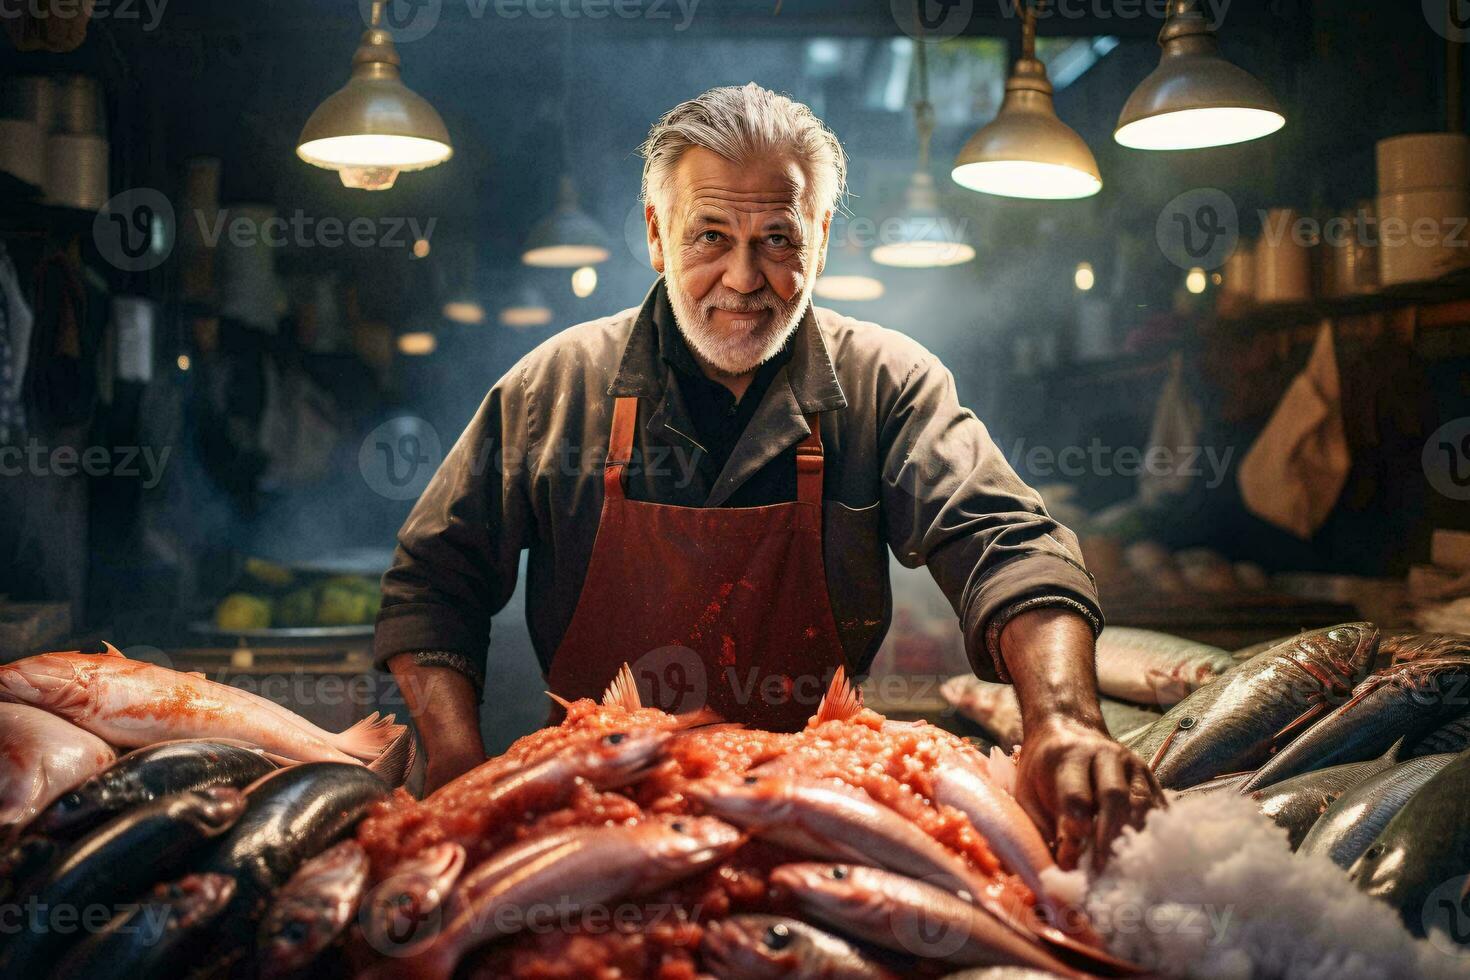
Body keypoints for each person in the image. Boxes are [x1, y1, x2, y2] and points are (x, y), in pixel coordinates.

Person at [377, 83, 1164, 867]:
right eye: (710, 236)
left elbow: (1006, 541)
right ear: (657, 235)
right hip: (595, 824)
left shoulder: (887, 382)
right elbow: (434, 581)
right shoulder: (557, 387)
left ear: (821, 236)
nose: (745, 278)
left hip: (817, 824)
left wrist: (1064, 719)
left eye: (779, 240)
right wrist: (456, 769)